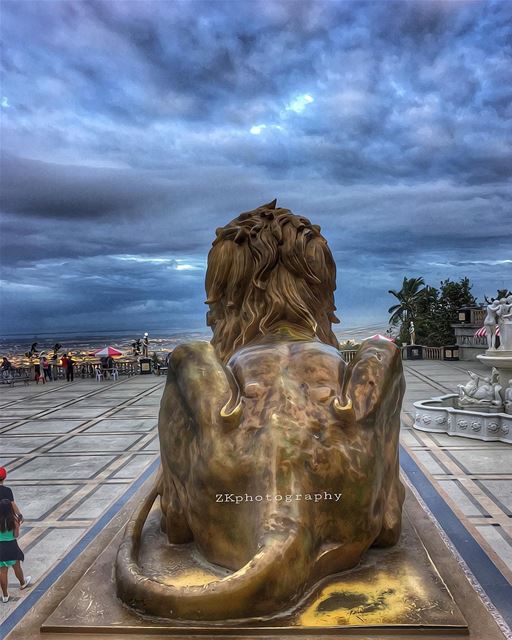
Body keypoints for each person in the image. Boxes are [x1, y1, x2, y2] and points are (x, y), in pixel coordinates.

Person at [0, 499, 31, 602]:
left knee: (2, 571)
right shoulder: (14, 520)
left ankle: (5, 595)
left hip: (0, 546)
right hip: (11, 546)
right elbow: (16, 535)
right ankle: (22, 583)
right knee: (16, 566)